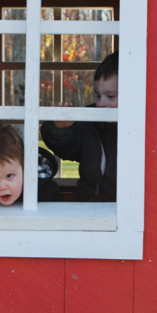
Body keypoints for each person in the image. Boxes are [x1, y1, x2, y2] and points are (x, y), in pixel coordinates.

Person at [41, 51, 118, 202]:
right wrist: (61, 128)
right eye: (98, 95)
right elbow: (68, 150)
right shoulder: (90, 120)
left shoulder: (142, 128)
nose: (101, 103)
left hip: (125, 207)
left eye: (110, 96)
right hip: (89, 202)